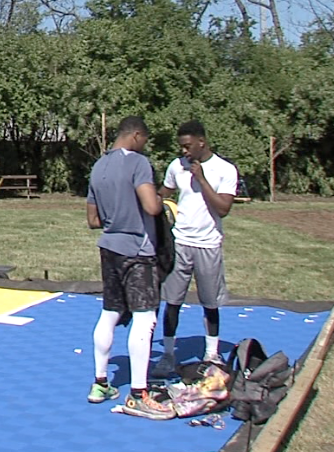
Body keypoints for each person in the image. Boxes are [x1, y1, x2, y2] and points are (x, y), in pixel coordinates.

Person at [85, 116, 171, 418]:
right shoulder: (138, 163)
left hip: (109, 248)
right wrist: (162, 198)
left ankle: (100, 383)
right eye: (145, 139)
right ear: (136, 135)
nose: (145, 144)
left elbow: (92, 220)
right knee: (144, 317)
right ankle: (138, 393)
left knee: (110, 312)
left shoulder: (98, 167)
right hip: (138, 250)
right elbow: (151, 206)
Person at [152, 120, 238, 376]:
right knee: (173, 301)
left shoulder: (225, 169)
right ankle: (168, 355)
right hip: (181, 242)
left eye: (188, 147)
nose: (184, 152)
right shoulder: (176, 166)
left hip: (208, 243)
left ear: (202, 142)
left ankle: (211, 355)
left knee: (210, 302)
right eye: (181, 147)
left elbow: (223, 208)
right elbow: (163, 194)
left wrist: (201, 179)